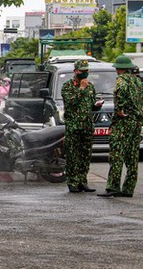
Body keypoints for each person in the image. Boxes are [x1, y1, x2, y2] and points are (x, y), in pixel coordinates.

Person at [99, 55, 143, 198]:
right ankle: (129, 188)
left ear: (119, 69)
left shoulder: (121, 81)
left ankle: (113, 187)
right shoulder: (138, 82)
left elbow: (119, 93)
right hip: (135, 123)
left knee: (117, 155)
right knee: (132, 156)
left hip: (123, 123)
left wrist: (120, 110)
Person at [61, 59, 104, 193]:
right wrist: (81, 88)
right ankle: (72, 182)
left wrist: (96, 106)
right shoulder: (68, 86)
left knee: (85, 155)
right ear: (75, 71)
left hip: (87, 126)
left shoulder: (90, 86)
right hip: (74, 127)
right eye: (81, 71)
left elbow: (89, 105)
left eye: (86, 71)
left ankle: (82, 181)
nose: (84, 73)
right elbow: (70, 102)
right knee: (73, 155)